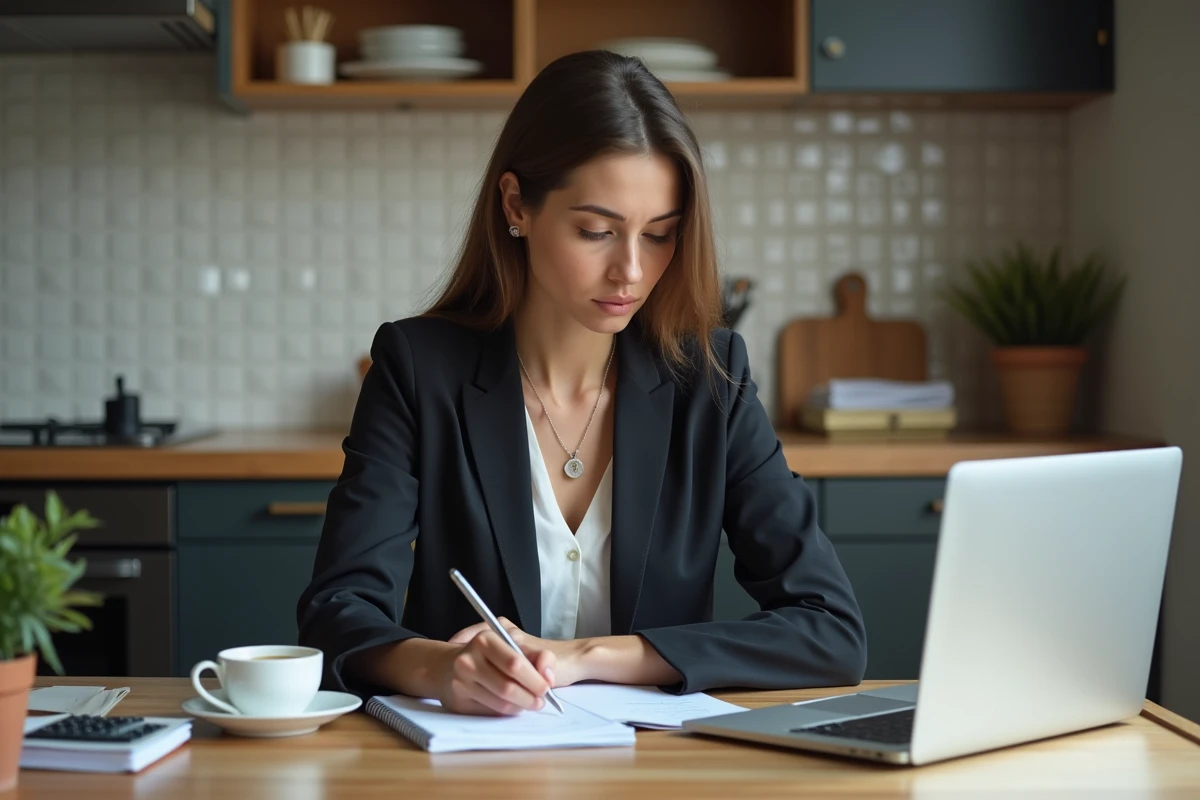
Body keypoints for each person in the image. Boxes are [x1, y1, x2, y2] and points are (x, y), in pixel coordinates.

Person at [296, 50, 866, 717]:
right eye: (596, 230)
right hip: (463, 769)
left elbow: (831, 630)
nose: (630, 269)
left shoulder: (712, 379)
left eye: (659, 236)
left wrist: (591, 656)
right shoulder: (419, 369)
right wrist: (440, 667)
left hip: (656, 773)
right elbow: (336, 614)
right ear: (517, 205)